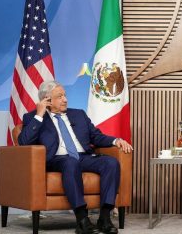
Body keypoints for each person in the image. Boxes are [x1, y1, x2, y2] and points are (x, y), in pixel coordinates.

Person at [18, 81, 133, 234]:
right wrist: (39, 115)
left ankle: (104, 218)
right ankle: (82, 220)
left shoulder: (78, 114)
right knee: (70, 162)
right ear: (47, 100)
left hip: (83, 156)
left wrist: (116, 140)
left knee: (111, 163)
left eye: (65, 95)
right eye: (60, 97)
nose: (65, 99)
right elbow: (24, 142)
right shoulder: (33, 117)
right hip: (56, 159)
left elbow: (95, 136)